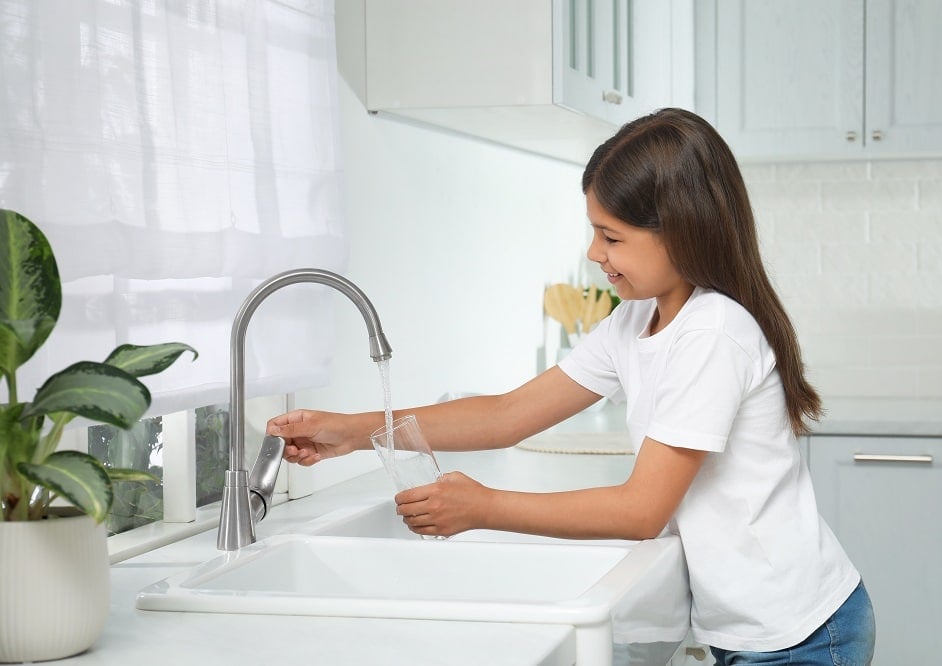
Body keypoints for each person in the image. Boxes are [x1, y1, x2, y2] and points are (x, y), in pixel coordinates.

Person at [266, 108, 876, 665]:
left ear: (683, 230)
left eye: (612, 237)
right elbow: (509, 414)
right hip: (754, 629)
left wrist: (487, 507)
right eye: (594, 231)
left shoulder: (713, 332)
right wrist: (351, 430)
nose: (594, 253)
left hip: (800, 636)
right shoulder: (639, 317)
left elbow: (641, 510)